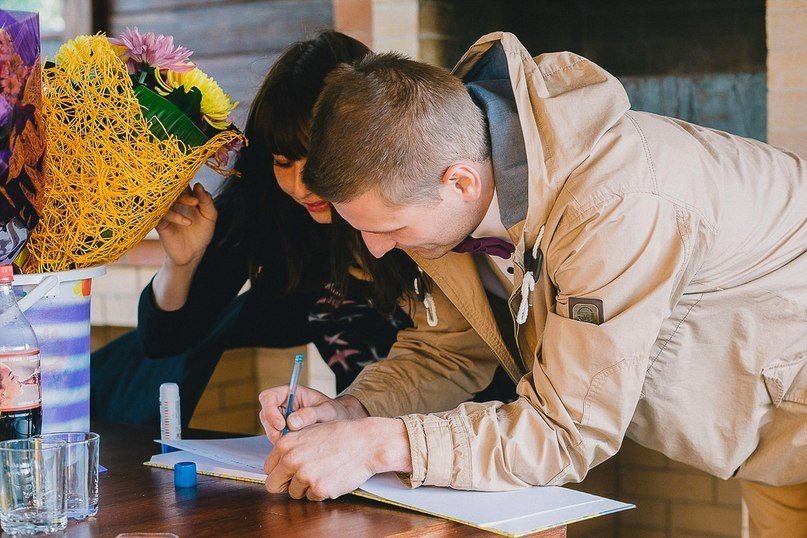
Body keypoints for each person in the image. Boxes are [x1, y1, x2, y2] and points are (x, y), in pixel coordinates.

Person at [258, 32, 807, 534]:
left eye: (388, 229)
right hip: (772, 448)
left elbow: (568, 432)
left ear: (461, 181)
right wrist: (355, 412)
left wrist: (382, 445)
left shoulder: (613, 206)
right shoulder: (448, 189)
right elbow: (446, 354)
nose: (376, 250)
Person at [90, 31, 425, 426]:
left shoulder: (424, 216)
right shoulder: (277, 213)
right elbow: (165, 342)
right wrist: (182, 264)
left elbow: (462, 357)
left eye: (316, 161)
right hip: (361, 448)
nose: (301, 187)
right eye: (284, 161)